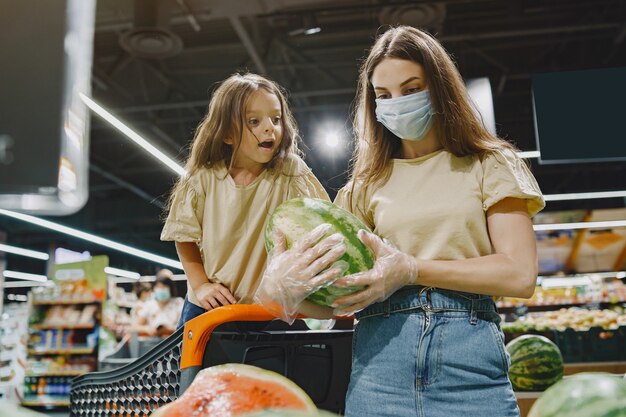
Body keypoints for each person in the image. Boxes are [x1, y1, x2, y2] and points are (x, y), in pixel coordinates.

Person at [262, 26, 545, 416]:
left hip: (469, 370)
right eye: (384, 95)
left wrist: (411, 269)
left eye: (411, 89)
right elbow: (343, 299)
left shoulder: (490, 164)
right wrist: (283, 292)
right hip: (379, 371)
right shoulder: (363, 186)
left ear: (441, 88)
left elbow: (519, 274)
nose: (397, 102)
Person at [161, 73, 336, 329]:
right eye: (254, 121)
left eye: (276, 119)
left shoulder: (290, 172)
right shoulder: (203, 179)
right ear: (227, 134)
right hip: (209, 309)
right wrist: (201, 286)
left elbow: (323, 226)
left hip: (270, 312)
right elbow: (184, 236)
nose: (269, 128)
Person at [133, 270, 183, 337]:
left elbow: (184, 326)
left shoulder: (178, 303)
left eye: (164, 287)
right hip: (153, 343)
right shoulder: (149, 305)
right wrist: (146, 329)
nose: (161, 290)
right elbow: (135, 326)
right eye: (158, 287)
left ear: (170, 288)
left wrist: (169, 329)